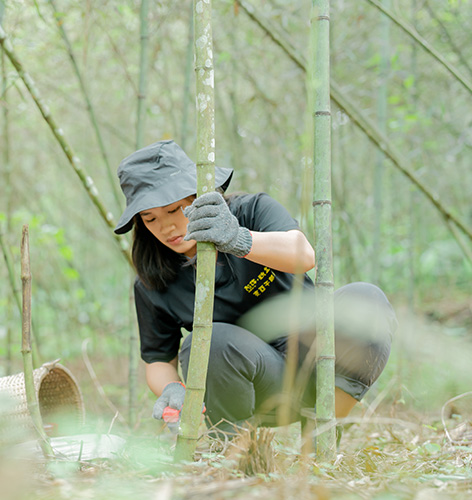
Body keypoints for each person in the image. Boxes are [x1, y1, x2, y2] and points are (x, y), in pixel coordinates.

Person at [114, 140, 397, 433]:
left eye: (174, 210)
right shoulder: (153, 279)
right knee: (212, 341)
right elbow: (159, 360)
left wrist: (238, 239)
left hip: (320, 362)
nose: (166, 227)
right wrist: (172, 388)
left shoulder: (250, 210)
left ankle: (322, 434)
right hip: (253, 385)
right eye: (150, 219)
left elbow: (303, 254)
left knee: (366, 299)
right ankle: (235, 454)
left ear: (196, 195)